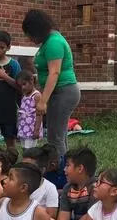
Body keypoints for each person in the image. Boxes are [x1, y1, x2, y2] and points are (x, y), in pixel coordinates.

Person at [21, 9, 79, 159]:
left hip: (63, 92)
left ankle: (61, 172)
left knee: (55, 138)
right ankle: (65, 167)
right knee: (59, 135)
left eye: (30, 34)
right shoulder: (48, 42)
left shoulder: (54, 42)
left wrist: (43, 101)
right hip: (58, 92)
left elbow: (54, 73)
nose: (29, 38)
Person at [56, 147, 97, 220]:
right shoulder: (67, 188)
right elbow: (64, 214)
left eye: (67, 166)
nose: (64, 170)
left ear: (80, 168)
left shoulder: (95, 189)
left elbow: (90, 215)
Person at [21, 144, 60, 219]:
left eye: (29, 167)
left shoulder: (49, 188)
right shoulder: (17, 184)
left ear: (42, 170)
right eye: (23, 165)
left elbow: (51, 218)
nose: (24, 169)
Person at [16, 70, 42, 148]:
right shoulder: (24, 95)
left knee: (30, 150)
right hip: (24, 128)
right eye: (20, 86)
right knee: (24, 148)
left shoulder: (36, 96)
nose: (22, 88)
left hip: (32, 129)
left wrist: (36, 130)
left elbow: (39, 115)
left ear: (31, 80)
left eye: (24, 84)